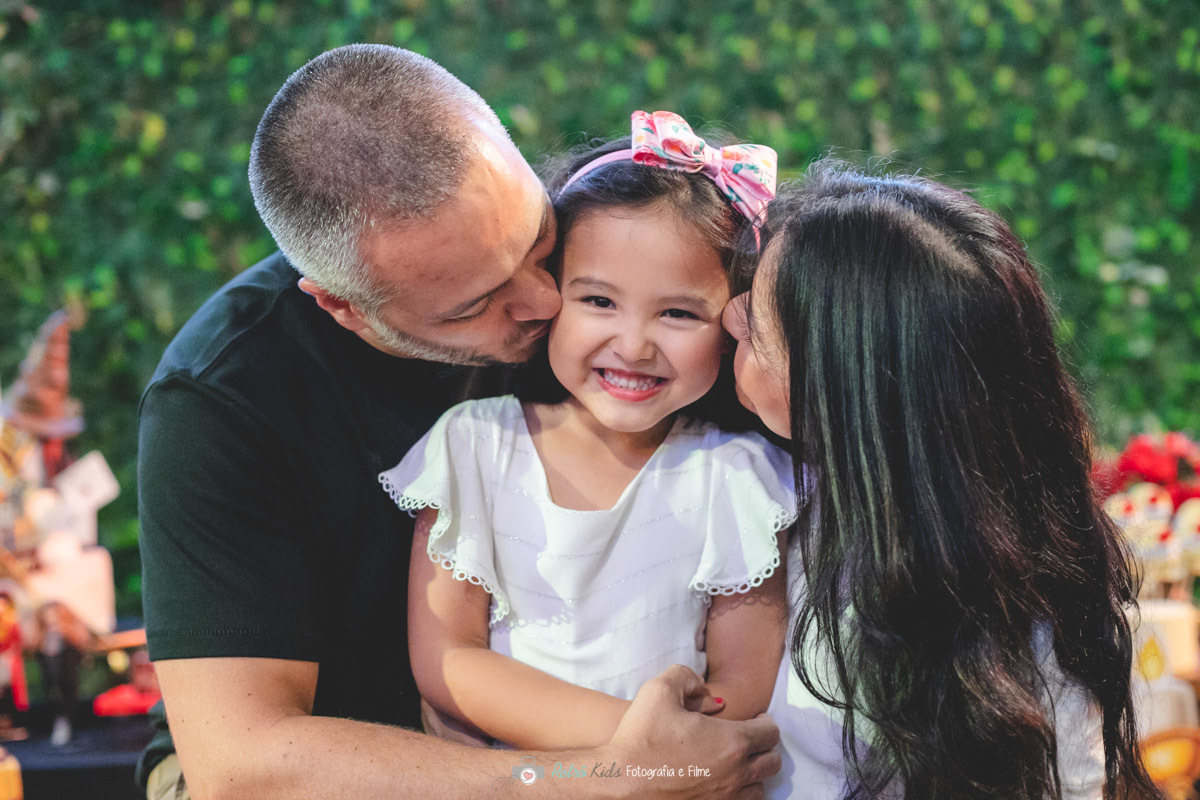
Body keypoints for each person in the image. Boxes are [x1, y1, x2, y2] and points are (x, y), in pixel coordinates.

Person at [137, 44, 780, 800]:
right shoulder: (225, 396)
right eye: (477, 304)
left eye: (537, 243)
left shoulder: (611, 256)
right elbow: (243, 766)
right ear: (345, 309)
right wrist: (594, 778)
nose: (543, 302)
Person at [722, 162, 1160, 799]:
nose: (730, 319)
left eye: (757, 325)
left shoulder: (1014, 627)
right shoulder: (781, 486)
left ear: (847, 390)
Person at [383, 111, 794, 749]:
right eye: (599, 301)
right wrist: (633, 748)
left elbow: (741, 684)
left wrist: (667, 760)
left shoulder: (737, 475)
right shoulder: (473, 447)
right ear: (549, 293)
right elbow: (449, 661)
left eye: (680, 313)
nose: (632, 346)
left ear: (735, 321)